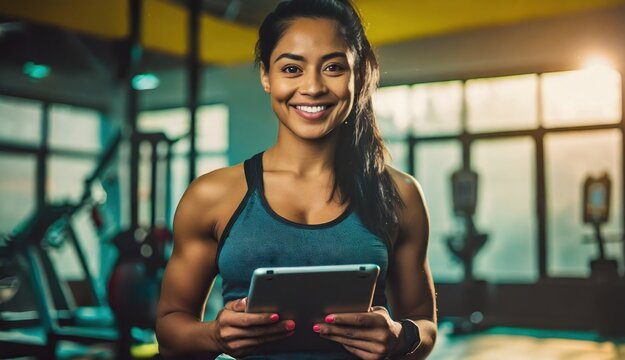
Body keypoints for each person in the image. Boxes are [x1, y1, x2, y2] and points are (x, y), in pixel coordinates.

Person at [155, 0, 436, 358]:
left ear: (358, 75)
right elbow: (168, 327)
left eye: (333, 67)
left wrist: (400, 336)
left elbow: (425, 326)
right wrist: (215, 336)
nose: (313, 87)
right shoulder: (212, 195)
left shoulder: (400, 193)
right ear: (265, 76)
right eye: (292, 68)